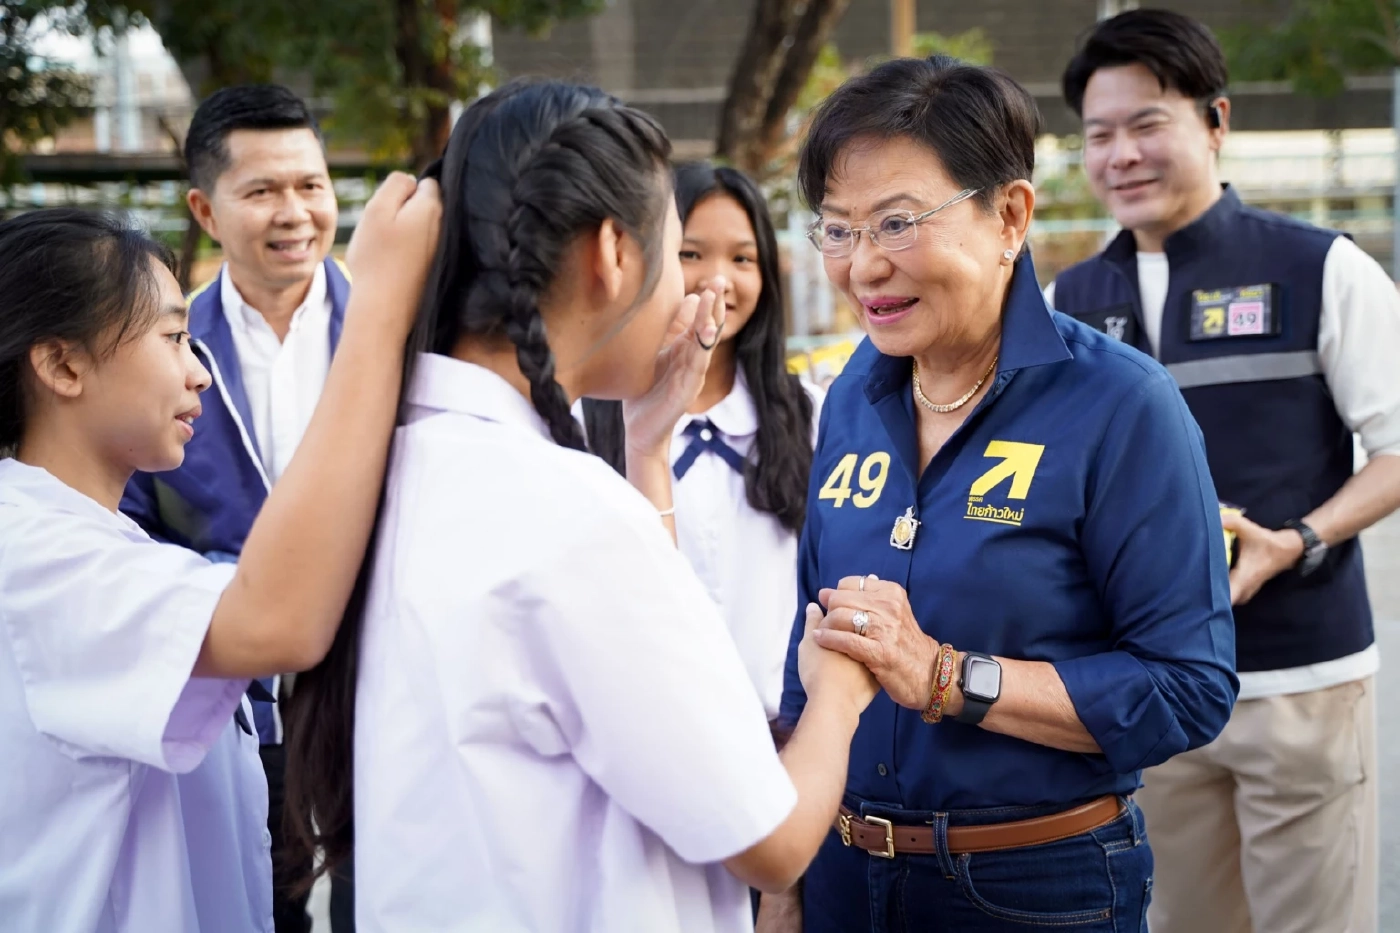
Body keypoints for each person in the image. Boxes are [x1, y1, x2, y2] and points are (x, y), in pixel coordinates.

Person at [281, 79, 879, 933]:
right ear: (612, 254)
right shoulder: (567, 511)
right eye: (679, 255)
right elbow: (773, 839)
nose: (695, 290)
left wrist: (646, 454)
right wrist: (839, 692)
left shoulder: (398, 462)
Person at [757, 55, 1239, 933]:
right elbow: (813, 642)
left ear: (1010, 213)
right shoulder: (851, 400)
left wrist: (948, 676)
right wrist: (786, 886)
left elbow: (1185, 688)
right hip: (839, 872)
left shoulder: (1122, 406)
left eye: (897, 223)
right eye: (835, 229)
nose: (862, 266)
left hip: (1031, 887)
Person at [0, 176, 439, 931]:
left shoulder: (96, 540)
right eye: (171, 339)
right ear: (63, 366)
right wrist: (376, 313)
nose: (198, 369)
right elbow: (281, 623)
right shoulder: (33, 552)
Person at [1049, 10, 1400, 933]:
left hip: (1301, 678)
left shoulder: (1320, 266)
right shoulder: (1071, 303)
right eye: (1098, 135)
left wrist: (1298, 540)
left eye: (1147, 123)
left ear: (1215, 122)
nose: (1121, 153)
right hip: (1152, 691)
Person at [118, 83, 351, 932]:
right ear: (204, 210)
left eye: (311, 186)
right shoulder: (158, 348)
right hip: (236, 704)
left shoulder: (396, 332)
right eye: (261, 191)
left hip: (380, 685)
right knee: (259, 905)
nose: (295, 212)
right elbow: (127, 522)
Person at [583, 161, 822, 719]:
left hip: (784, 738)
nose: (719, 279)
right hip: (651, 732)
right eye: (691, 254)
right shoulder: (587, 418)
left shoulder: (809, 413)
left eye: (742, 258)